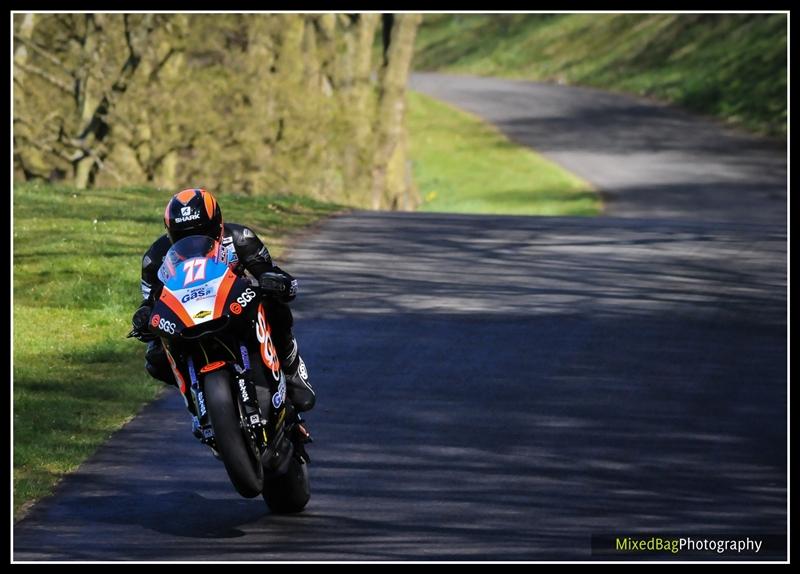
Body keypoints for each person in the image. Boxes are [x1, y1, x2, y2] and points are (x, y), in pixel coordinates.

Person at [130, 187, 315, 439]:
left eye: (201, 233)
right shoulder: (155, 258)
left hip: (236, 308)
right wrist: (143, 316)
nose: (193, 241)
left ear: (217, 225)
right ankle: (197, 406)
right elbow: (151, 301)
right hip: (188, 318)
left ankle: (293, 373)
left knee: (275, 308)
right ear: (170, 234)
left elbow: (270, 273)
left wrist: (278, 282)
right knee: (155, 357)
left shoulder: (240, 237)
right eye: (183, 236)